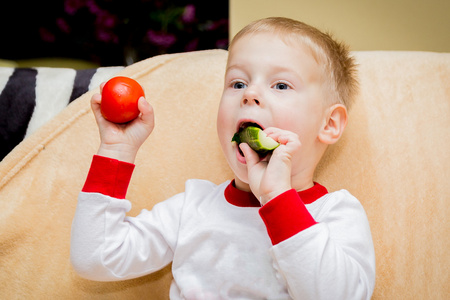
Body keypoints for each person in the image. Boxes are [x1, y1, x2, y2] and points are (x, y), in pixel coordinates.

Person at [71, 17, 376, 299]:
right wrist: (116, 150)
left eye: (281, 85)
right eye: (238, 83)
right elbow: (95, 258)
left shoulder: (335, 212)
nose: (250, 94)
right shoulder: (191, 208)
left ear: (329, 124)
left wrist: (278, 199)